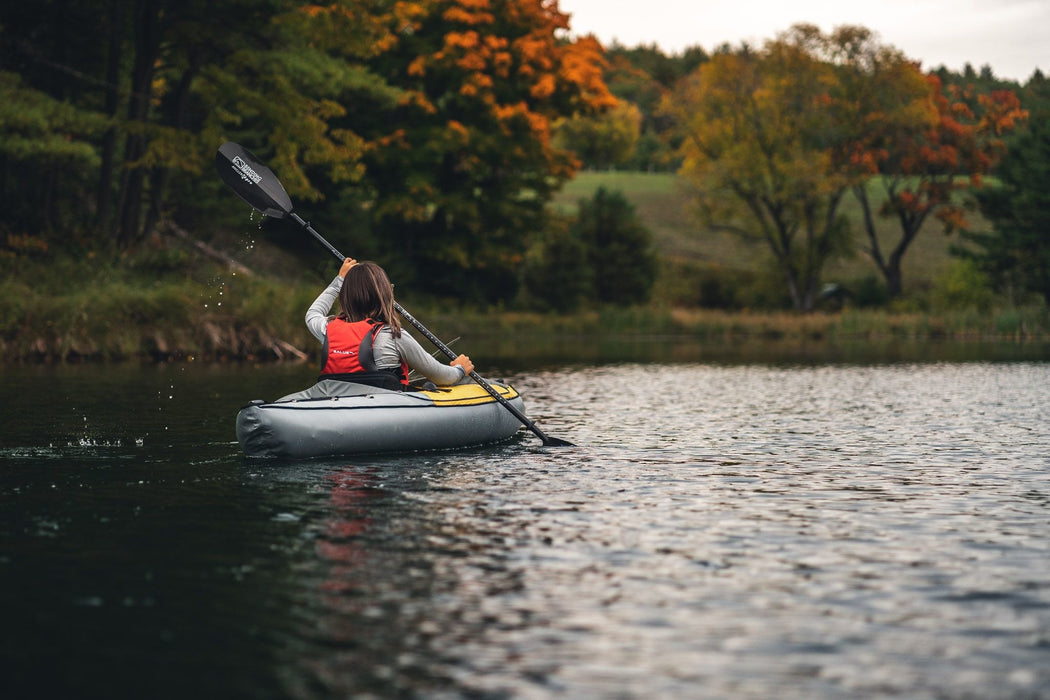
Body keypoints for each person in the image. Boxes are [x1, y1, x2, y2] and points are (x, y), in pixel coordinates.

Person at [304, 257, 474, 392]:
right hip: (383, 413)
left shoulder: (328, 330)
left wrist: (339, 281)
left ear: (345, 296)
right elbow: (442, 377)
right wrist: (459, 369)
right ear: (385, 295)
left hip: (337, 408)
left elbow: (312, 314)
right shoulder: (393, 336)